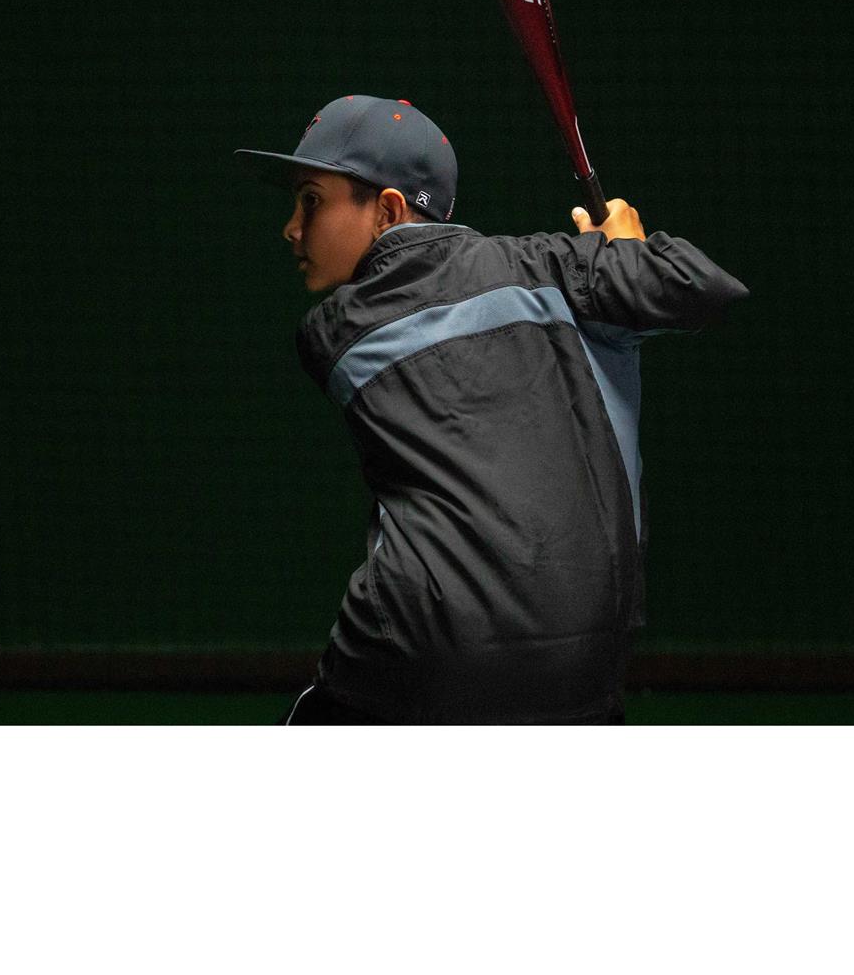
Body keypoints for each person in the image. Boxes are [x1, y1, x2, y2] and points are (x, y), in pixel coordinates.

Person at [235, 94, 749, 724]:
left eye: (312, 201)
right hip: (593, 652)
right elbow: (703, 286)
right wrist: (622, 256)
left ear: (388, 210)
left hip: (414, 651)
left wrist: (603, 271)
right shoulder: (554, 269)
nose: (292, 227)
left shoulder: (336, 329)